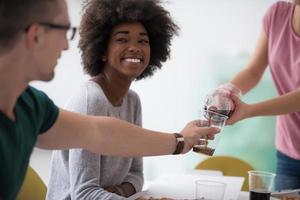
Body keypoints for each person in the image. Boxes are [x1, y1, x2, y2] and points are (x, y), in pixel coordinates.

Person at [0, 0, 220, 199]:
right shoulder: (85, 99)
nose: (67, 45)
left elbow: (99, 133)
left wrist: (180, 141)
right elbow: (85, 188)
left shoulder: (32, 105)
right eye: (66, 31)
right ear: (36, 34)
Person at [46, 0, 179, 199]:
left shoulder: (133, 101)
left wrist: (118, 191)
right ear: (102, 51)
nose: (134, 47)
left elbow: (136, 175)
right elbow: (84, 194)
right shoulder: (91, 100)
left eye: (143, 41)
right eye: (122, 39)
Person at [213, 0, 300, 190]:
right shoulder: (277, 14)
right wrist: (226, 91)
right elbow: (253, 70)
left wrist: (248, 111)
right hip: (290, 151)